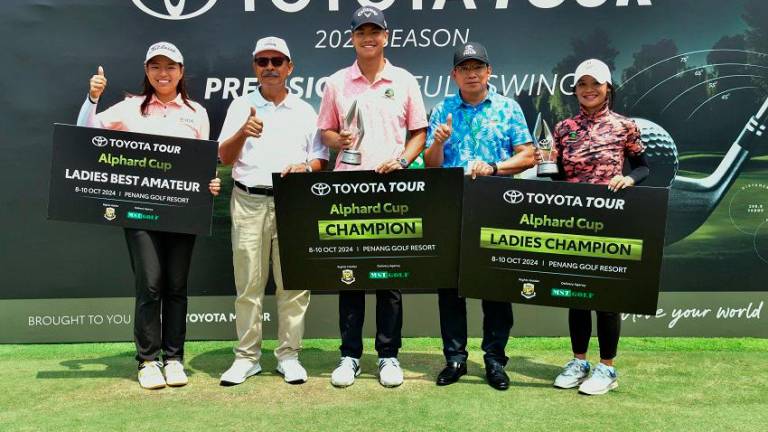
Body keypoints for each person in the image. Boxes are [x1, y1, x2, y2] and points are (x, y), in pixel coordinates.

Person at [77, 41, 220, 390]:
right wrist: (92, 99)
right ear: (147, 71)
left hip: (183, 212)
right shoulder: (129, 108)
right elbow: (85, 133)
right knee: (151, 283)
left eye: (170, 67)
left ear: (181, 72)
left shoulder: (196, 112)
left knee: (176, 286)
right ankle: (147, 361)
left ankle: (174, 358)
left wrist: (210, 183)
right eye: (155, 66)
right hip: (140, 211)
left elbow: (204, 164)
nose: (163, 73)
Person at [316, 6, 428, 388]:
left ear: (386, 36)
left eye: (374, 31)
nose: (368, 37)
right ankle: (349, 355)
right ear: (352, 38)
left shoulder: (405, 80)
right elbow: (326, 132)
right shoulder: (335, 83)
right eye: (361, 31)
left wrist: (401, 160)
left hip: (391, 189)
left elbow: (419, 134)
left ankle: (388, 355)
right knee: (350, 277)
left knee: (388, 277)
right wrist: (337, 140)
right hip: (348, 189)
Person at [218, 37, 328, 386]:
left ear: (289, 67)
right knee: (248, 284)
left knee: (293, 285)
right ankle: (247, 357)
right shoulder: (241, 106)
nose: (269, 67)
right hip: (249, 200)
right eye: (263, 61)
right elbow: (224, 157)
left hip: (292, 201)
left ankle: (289, 355)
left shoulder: (305, 110)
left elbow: (320, 158)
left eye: (277, 61)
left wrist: (305, 168)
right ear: (255, 67)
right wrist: (242, 132)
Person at [424, 42, 535, 390]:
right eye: (464, 68)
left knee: (496, 287)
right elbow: (430, 163)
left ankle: (494, 359)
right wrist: (438, 142)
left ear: (489, 71)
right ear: (454, 74)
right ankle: (455, 358)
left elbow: (529, 156)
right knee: (451, 289)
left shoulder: (508, 108)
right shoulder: (442, 109)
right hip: (453, 207)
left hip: (497, 205)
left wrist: (495, 167)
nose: (471, 73)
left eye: (478, 67)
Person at [541, 59, 649, 395]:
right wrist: (545, 167)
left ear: (608, 88)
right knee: (576, 293)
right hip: (574, 222)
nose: (589, 90)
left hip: (610, 220)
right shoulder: (562, 128)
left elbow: (644, 166)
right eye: (582, 84)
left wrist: (628, 178)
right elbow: (554, 174)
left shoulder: (624, 126)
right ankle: (579, 361)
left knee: (606, 295)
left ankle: (607, 368)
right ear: (575, 89)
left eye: (595, 84)